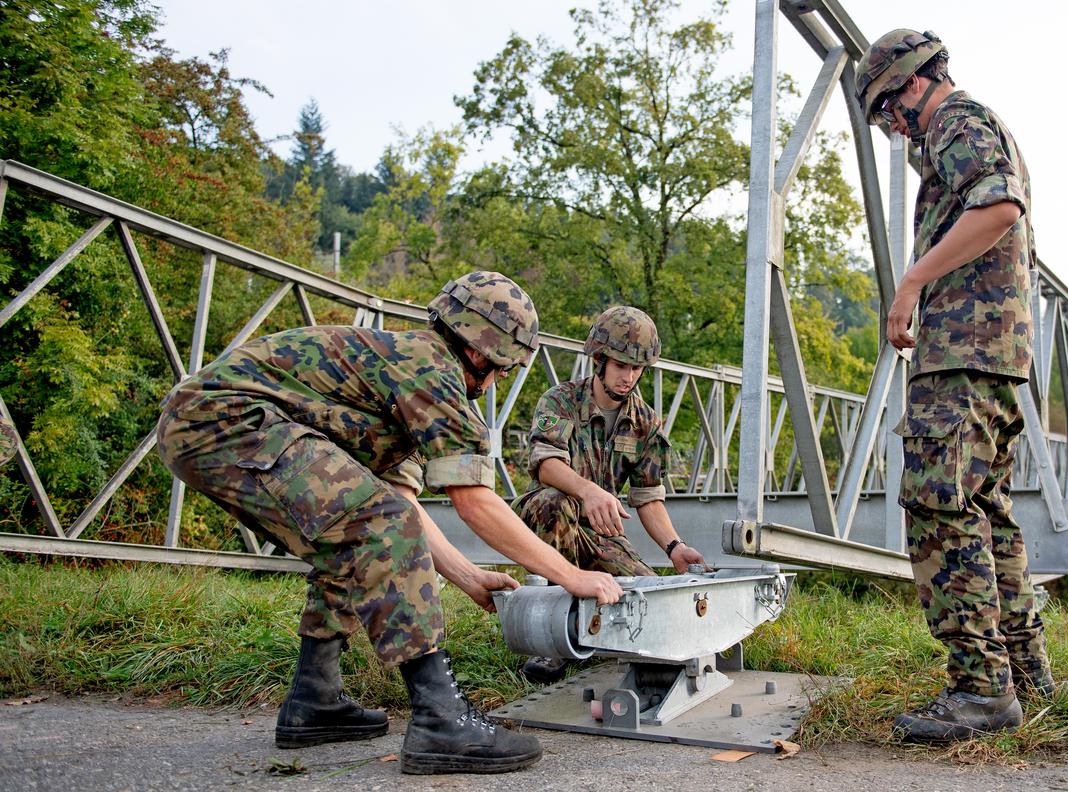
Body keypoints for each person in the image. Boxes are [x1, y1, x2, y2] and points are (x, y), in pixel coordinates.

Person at [155, 271, 624, 775]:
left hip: (207, 423)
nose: (493, 384)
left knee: (355, 533)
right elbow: (474, 502)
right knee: (379, 524)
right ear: (485, 354)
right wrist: (570, 576)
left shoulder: (400, 371)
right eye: (502, 371)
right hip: (226, 421)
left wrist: (467, 576)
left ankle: (314, 700)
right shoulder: (431, 370)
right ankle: (440, 720)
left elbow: (401, 503)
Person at [856, 30, 1054, 744]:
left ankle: (980, 689)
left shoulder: (955, 121)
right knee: (986, 509)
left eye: (886, 112)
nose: (891, 128)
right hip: (996, 356)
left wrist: (912, 280)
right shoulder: (969, 122)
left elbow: (1000, 206)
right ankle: (1025, 672)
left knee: (939, 507)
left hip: (963, 352)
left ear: (910, 85)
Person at [511, 306, 706, 683]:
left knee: (655, 603)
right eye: (621, 366)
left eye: (637, 369)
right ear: (598, 360)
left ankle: (597, 627)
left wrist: (674, 547)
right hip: (553, 523)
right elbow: (545, 465)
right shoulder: (561, 400)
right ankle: (552, 641)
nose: (628, 376)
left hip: (602, 536)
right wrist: (589, 492)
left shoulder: (646, 421)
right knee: (550, 502)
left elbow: (648, 497)